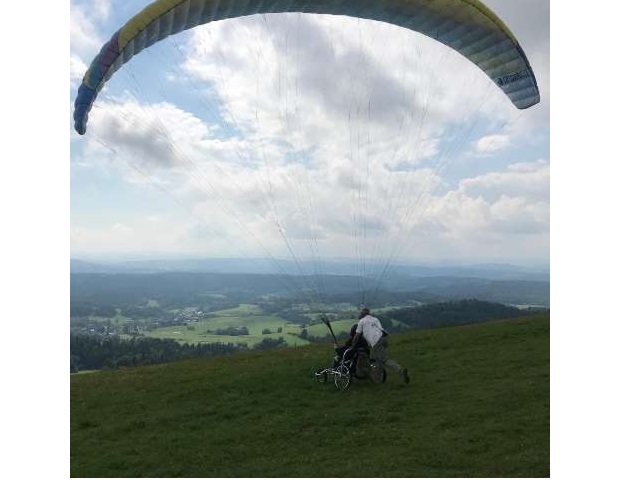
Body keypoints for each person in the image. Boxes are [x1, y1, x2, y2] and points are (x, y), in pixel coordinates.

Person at [347, 307, 410, 384]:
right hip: (384, 339)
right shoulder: (375, 319)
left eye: (360, 314)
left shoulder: (361, 321)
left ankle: (401, 371)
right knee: (379, 360)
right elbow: (377, 330)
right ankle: (377, 379)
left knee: (384, 360)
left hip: (377, 342)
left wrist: (352, 346)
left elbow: (356, 336)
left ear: (362, 315)